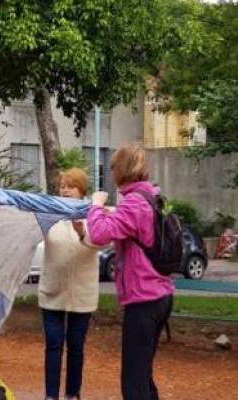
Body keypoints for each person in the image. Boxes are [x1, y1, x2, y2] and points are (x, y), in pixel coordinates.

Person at [86, 143, 174, 400]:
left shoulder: (134, 203)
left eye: (112, 167)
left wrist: (95, 205)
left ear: (121, 170)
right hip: (160, 294)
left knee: (133, 382)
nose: (111, 172)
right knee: (143, 373)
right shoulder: (153, 196)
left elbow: (101, 233)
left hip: (143, 299)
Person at [38, 167, 103, 400]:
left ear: (81, 191)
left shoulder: (93, 215)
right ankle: (50, 396)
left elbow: (101, 242)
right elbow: (30, 233)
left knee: (76, 347)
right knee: (53, 346)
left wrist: (81, 232)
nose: (64, 190)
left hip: (82, 295)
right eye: (62, 186)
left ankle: (73, 394)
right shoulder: (48, 214)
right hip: (51, 292)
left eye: (70, 186)